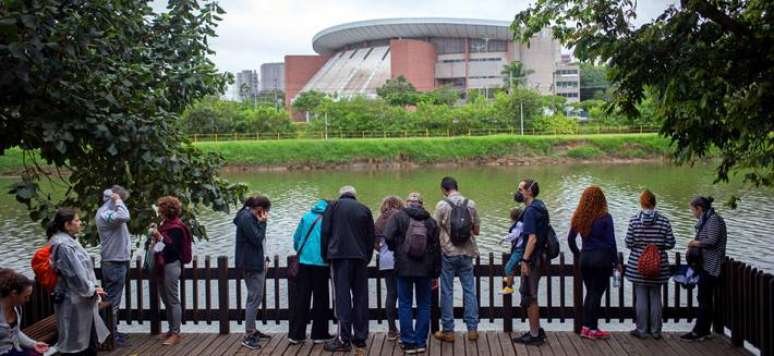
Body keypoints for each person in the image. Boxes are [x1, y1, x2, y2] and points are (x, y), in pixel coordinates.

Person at [384, 192, 441, 354]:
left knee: (404, 304)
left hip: (404, 267)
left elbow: (387, 236)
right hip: (425, 269)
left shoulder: (398, 218)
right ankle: (420, 342)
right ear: (422, 204)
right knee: (424, 305)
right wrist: (436, 271)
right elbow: (437, 248)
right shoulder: (430, 221)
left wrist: (397, 249)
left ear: (408, 203)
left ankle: (408, 342)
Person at [48, 207, 110, 355]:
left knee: (87, 341)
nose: (80, 222)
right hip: (74, 300)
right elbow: (75, 275)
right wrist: (91, 289)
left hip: (81, 299)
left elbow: (82, 270)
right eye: (76, 220)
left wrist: (93, 287)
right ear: (67, 225)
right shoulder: (64, 246)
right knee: (79, 345)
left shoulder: (68, 241)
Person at [321, 186, 375, 352]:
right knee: (360, 297)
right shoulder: (364, 209)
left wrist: (325, 255)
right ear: (354, 195)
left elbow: (325, 233)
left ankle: (343, 339)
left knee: (342, 298)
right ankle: (360, 337)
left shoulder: (333, 207)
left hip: (339, 258)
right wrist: (366, 257)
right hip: (360, 258)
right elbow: (370, 237)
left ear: (341, 194)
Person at [432, 177, 481, 343]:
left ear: (444, 189)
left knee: (447, 291)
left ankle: (448, 331)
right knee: (469, 290)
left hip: (448, 253)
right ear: (457, 187)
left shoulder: (442, 205)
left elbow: (434, 229)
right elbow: (477, 230)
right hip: (467, 253)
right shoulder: (471, 204)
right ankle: (472, 330)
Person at [567, 186, 619, 340]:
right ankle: (593, 329)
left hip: (585, 259)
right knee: (596, 294)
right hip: (601, 260)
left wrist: (579, 254)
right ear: (601, 200)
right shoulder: (605, 217)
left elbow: (570, 240)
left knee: (590, 293)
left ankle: (585, 328)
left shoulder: (579, 217)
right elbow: (611, 243)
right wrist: (616, 262)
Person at [624, 190, 675, 339]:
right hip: (658, 266)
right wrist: (657, 247)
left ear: (641, 203)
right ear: (654, 203)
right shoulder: (664, 221)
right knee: (655, 296)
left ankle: (641, 330)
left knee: (640, 297)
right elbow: (671, 243)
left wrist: (640, 247)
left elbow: (628, 242)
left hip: (638, 266)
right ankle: (656, 331)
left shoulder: (634, 220)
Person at [288, 199, 333, 345]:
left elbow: (296, 239)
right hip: (321, 264)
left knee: (301, 298)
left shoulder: (306, 216)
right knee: (321, 299)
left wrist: (303, 253)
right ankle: (319, 334)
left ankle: (296, 335)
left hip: (304, 263)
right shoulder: (329, 219)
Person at [681, 196, 727, 342]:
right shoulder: (707, 219)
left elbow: (712, 241)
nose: (692, 213)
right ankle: (703, 330)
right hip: (706, 265)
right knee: (703, 299)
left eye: (693, 210)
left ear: (699, 208)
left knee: (704, 300)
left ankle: (699, 331)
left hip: (712, 266)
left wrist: (695, 243)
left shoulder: (713, 220)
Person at [512, 179, 548, 346]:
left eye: (520, 189)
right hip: (540, 256)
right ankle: (536, 330)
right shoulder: (540, 206)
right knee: (531, 294)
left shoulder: (531, 211)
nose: (518, 192)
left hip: (532, 259)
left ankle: (535, 335)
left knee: (530, 296)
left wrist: (525, 260)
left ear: (529, 192)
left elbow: (532, 239)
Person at [151, 196, 191, 346]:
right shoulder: (165, 224)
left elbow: (173, 249)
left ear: (165, 211)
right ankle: (170, 330)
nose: (159, 211)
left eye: (160, 208)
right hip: (163, 265)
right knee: (166, 300)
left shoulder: (176, 227)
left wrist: (159, 237)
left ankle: (176, 333)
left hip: (171, 265)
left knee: (173, 300)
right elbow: (162, 246)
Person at [234, 196, 273, 349]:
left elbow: (258, 242)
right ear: (259, 209)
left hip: (255, 261)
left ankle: (253, 330)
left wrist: (265, 258)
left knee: (256, 297)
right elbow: (257, 239)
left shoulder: (248, 217)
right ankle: (248, 334)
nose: (265, 214)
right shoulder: (246, 218)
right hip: (251, 264)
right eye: (265, 211)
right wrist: (263, 223)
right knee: (254, 298)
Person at [95, 185, 131, 347]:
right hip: (114, 262)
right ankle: (110, 336)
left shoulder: (110, 212)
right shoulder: (106, 213)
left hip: (118, 260)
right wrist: (117, 200)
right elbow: (125, 216)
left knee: (113, 301)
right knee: (112, 302)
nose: (122, 203)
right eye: (121, 200)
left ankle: (113, 330)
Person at [374, 196, 404, 341]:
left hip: (386, 260)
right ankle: (406, 329)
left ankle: (392, 330)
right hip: (401, 260)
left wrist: (383, 252)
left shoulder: (379, 220)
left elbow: (375, 243)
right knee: (405, 295)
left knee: (391, 295)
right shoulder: (402, 217)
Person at [0, 269, 49, 356]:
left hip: (12, 348)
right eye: (26, 296)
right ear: (13, 294)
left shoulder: (17, 308)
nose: (28, 300)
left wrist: (33, 344)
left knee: (37, 353)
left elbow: (16, 332)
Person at [500, 207, 524, 295]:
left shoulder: (518, 225)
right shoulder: (521, 224)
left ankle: (509, 287)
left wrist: (503, 239)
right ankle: (510, 278)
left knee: (508, 267)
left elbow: (514, 235)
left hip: (519, 250)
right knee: (513, 265)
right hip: (519, 249)